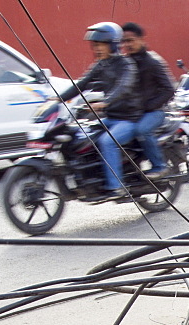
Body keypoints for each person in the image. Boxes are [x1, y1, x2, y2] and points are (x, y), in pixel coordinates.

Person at [57, 22, 140, 198]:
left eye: (101, 44)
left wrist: (105, 102)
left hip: (129, 119)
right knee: (83, 137)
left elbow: (123, 87)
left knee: (107, 142)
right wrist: (58, 98)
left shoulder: (127, 64)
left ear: (113, 44)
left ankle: (117, 186)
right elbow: (82, 84)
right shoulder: (100, 65)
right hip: (110, 117)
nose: (97, 48)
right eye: (95, 45)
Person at [120, 23, 175, 180]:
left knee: (141, 130)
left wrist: (149, 106)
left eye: (131, 40)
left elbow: (169, 89)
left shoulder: (153, 62)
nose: (127, 45)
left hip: (155, 112)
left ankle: (159, 166)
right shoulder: (125, 62)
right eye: (124, 41)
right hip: (132, 112)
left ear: (141, 39)